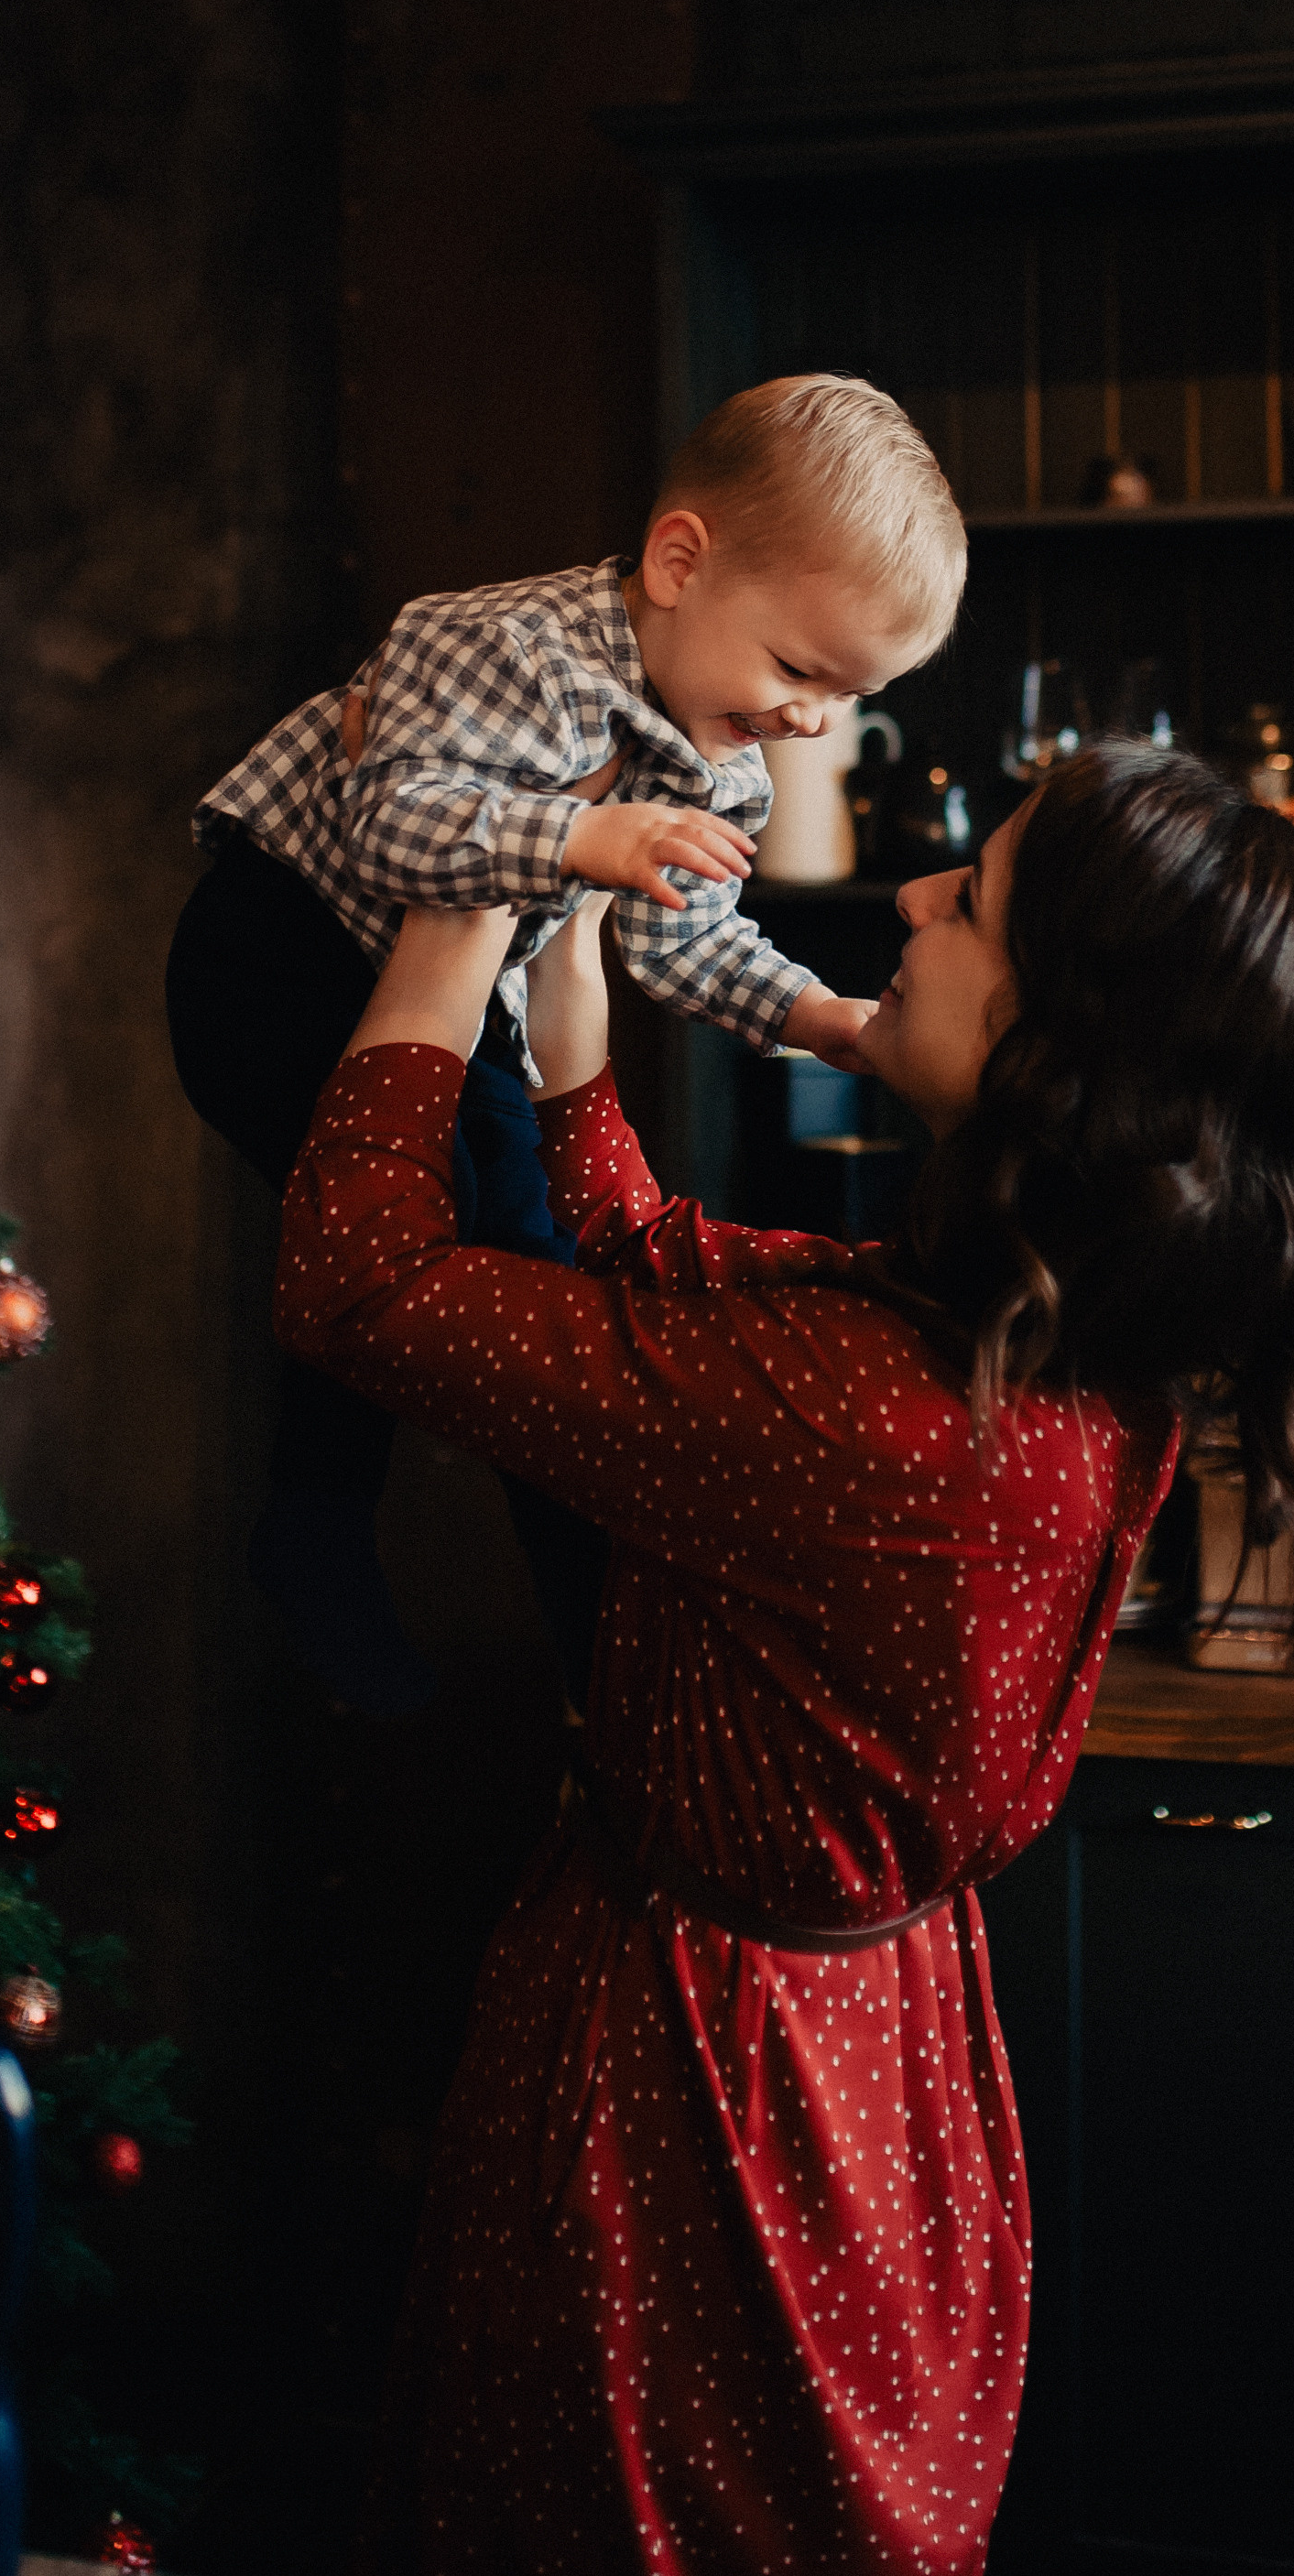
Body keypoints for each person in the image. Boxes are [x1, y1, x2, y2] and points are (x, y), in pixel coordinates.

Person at [270, 741, 1294, 2576]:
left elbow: (357, 1279)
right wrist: (568, 1011)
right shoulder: (1029, 1353)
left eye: (966, 902)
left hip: (700, 2104)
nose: (909, 899)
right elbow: (663, 1278)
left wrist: (452, 904)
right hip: (863, 2065)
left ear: (1065, 1051)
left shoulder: (878, 1418)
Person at [169, 374, 963, 1712]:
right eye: (796, 670)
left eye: (848, 693)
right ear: (677, 561)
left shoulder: (718, 750)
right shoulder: (498, 645)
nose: (812, 722)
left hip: (424, 1007)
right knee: (451, 1251)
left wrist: (820, 1017)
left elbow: (677, 939)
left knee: (514, 1268)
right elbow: (393, 828)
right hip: (278, 950)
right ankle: (374, 1544)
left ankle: (557, 1594)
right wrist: (583, 839)